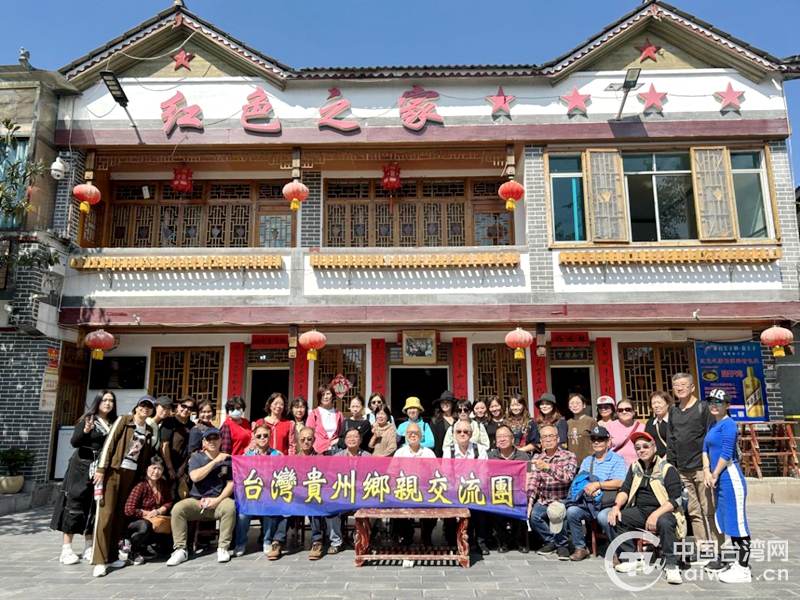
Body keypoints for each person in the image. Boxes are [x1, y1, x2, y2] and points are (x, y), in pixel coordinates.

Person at [91, 396, 156, 578]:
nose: (145, 408)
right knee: (105, 516)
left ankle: (112, 556)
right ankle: (99, 560)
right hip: (113, 472)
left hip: (131, 475)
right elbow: (109, 444)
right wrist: (101, 469)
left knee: (119, 516)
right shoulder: (124, 421)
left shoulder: (148, 430)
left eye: (149, 406)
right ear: (137, 407)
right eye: (143, 405)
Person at [608, 431, 684, 585]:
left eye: (645, 446)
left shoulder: (667, 469)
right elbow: (624, 490)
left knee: (665, 522)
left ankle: (671, 564)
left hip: (664, 510)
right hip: (640, 510)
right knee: (617, 517)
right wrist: (616, 507)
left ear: (654, 447)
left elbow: (676, 499)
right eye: (637, 448)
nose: (641, 450)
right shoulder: (635, 467)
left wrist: (655, 514)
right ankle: (633, 559)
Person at [51, 390, 117, 565]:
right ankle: (66, 548)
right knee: (75, 504)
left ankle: (89, 546)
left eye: (111, 400)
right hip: (82, 466)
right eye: (104, 400)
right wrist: (86, 431)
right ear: (97, 402)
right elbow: (75, 442)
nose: (108, 403)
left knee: (94, 506)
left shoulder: (114, 422)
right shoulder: (88, 419)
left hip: (101, 468)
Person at [667, 372, 722, 559]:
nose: (680, 388)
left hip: (702, 468)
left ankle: (718, 549)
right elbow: (671, 439)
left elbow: (712, 437)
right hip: (682, 469)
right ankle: (703, 547)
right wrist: (672, 466)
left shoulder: (703, 408)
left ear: (692, 387)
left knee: (709, 510)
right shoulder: (673, 410)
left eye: (683, 384)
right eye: (676, 385)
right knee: (693, 511)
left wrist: (711, 469)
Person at [702, 388, 752, 582]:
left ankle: (743, 569)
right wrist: (707, 470)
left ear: (727, 405)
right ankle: (737, 564)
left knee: (738, 523)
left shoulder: (729, 424)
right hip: (717, 479)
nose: (714, 405)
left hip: (730, 478)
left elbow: (726, 452)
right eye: (711, 402)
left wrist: (714, 473)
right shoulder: (712, 425)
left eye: (719, 402)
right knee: (727, 522)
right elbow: (705, 449)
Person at [166, 427, 235, 567]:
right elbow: (195, 477)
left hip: (218, 501)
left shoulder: (227, 460)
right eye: (209, 439)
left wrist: (218, 500)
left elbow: (231, 483)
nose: (212, 441)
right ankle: (180, 549)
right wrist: (215, 461)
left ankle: (223, 547)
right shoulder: (196, 458)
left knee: (230, 507)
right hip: (197, 501)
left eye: (215, 438)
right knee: (178, 509)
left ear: (221, 440)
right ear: (204, 442)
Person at [564, 425, 626, 561]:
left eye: (601, 439)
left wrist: (598, 485)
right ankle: (581, 547)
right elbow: (580, 481)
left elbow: (620, 482)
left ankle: (617, 550)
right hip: (590, 502)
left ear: (608, 441)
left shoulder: (617, 459)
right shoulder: (587, 461)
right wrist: (587, 489)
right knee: (572, 511)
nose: (597, 442)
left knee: (604, 517)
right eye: (594, 439)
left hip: (608, 502)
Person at [276, 426, 334, 559]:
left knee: (314, 504)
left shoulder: (321, 459)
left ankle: (317, 541)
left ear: (314, 440)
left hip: (314, 494)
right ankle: (278, 540)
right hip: (297, 496)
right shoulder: (293, 460)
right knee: (286, 505)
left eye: (309, 439)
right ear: (298, 441)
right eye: (303, 439)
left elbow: (327, 481)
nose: (306, 442)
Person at [527, 424, 577, 560]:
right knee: (533, 515)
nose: (548, 440)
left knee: (557, 512)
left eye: (551, 436)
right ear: (541, 441)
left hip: (562, 499)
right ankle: (551, 541)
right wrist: (530, 502)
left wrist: (548, 467)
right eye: (544, 437)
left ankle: (562, 545)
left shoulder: (569, 456)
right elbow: (533, 481)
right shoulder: (537, 458)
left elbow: (568, 477)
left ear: (558, 438)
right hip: (544, 499)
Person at [234, 425, 283, 557]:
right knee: (242, 514)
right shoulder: (246, 456)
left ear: (270, 437)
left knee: (270, 509)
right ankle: (240, 543)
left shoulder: (278, 455)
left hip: (270, 495)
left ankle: (267, 541)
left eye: (265, 436)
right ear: (254, 438)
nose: (262, 438)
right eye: (259, 436)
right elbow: (241, 478)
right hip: (252, 495)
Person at [444, 421, 490, 554]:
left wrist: (473, 488)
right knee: (448, 507)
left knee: (480, 509)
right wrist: (456, 489)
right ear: (454, 434)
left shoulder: (479, 449)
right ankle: (452, 541)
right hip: (455, 490)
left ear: (471, 434)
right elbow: (446, 475)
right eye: (459, 431)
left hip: (474, 489)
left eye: (466, 431)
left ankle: (480, 542)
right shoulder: (449, 451)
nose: (462, 434)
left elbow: (483, 473)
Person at [123, 456, 173, 565]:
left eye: (160, 469)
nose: (156, 472)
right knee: (145, 526)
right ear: (146, 469)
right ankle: (133, 551)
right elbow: (129, 510)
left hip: (156, 521)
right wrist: (146, 513)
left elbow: (169, 502)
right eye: (154, 468)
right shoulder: (140, 485)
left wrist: (159, 511)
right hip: (137, 523)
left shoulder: (163, 484)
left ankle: (156, 548)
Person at [488, 425, 530, 553]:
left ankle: (519, 541)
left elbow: (529, 475)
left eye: (505, 436)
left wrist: (524, 492)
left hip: (518, 494)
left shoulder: (523, 456)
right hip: (497, 494)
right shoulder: (490, 456)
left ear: (512, 439)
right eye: (499, 437)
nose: (502, 439)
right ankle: (504, 542)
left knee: (520, 505)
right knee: (494, 510)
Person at [393, 422, 436, 545]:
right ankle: (406, 534)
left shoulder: (428, 453)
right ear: (406, 436)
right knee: (395, 508)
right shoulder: (400, 453)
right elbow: (392, 473)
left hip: (425, 491)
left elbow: (436, 473)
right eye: (410, 433)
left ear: (421, 436)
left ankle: (426, 535)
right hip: (404, 491)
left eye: (416, 433)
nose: (413, 435)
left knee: (434, 507)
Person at [160, 395, 196, 500]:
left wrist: (183, 467)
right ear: (178, 406)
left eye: (190, 408)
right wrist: (170, 468)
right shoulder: (169, 422)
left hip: (182, 468)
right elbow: (164, 446)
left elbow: (190, 449)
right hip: (167, 466)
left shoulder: (192, 426)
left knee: (180, 497)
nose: (186, 410)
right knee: (166, 497)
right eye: (183, 406)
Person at [605, 399, 644, 468]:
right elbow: (605, 448)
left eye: (628, 409)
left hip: (638, 466)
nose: (624, 412)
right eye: (620, 410)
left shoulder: (642, 427)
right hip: (616, 467)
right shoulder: (609, 427)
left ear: (633, 411)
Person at [306, 384, 344, 454]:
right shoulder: (314, 414)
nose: (325, 397)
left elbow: (341, 434)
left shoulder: (339, 414)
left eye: (328, 394)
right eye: (323, 394)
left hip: (334, 452)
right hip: (318, 452)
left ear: (332, 395)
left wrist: (336, 441)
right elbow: (308, 434)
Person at [566, 393, 598, 465]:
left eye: (578, 403)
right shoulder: (567, 423)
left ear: (584, 405)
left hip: (588, 462)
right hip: (572, 463)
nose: (575, 405)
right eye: (572, 403)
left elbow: (598, 440)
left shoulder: (590, 421)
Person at [645, 391, 672, 458]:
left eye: (659, 402)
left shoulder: (674, 421)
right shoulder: (650, 423)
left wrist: (666, 458)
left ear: (667, 404)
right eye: (653, 403)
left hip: (671, 459)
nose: (656, 406)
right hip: (655, 460)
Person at [431, 390, 457, 457]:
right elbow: (435, 442)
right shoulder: (435, 421)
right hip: (441, 455)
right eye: (442, 402)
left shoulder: (458, 419)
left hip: (458, 454)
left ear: (452, 404)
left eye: (447, 402)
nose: (445, 404)